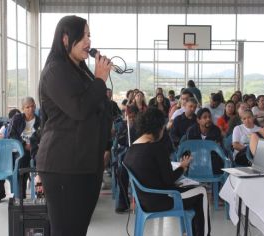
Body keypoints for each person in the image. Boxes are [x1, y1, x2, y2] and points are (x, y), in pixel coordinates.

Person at [36, 15, 112, 236]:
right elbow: (79, 109)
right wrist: (99, 80)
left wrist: (105, 147)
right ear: (66, 38)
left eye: (90, 35)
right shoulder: (55, 71)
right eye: (84, 36)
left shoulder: (80, 69)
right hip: (63, 166)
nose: (89, 42)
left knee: (77, 230)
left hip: (85, 164)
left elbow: (97, 108)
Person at [124, 108, 210, 236]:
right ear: (159, 128)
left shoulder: (131, 150)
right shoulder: (157, 148)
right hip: (163, 199)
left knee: (194, 192)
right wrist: (182, 167)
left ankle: (192, 231)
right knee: (201, 191)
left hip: (144, 200)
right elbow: (169, 179)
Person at [0, 108, 21, 203]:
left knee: (20, 163)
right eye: (14, 118)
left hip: (18, 154)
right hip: (6, 155)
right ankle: (0, 192)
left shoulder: (23, 127)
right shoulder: (5, 127)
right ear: (10, 119)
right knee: (0, 164)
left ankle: (19, 192)